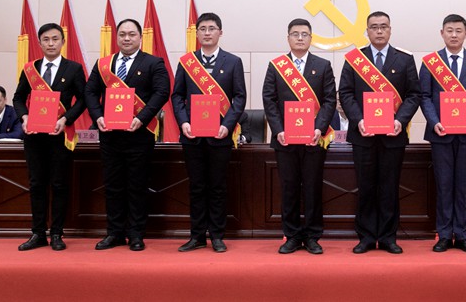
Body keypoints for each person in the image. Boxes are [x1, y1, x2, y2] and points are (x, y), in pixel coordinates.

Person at [84, 18, 169, 252]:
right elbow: (90, 91)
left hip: (139, 135)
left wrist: (142, 118)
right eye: (122, 34)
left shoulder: (153, 63)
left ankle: (136, 234)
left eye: (132, 34)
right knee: (112, 185)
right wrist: (97, 116)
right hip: (110, 135)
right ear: (117, 37)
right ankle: (114, 233)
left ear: (140, 37)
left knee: (137, 185)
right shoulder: (104, 65)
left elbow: (162, 92)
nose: (127, 38)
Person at [338, 11, 420, 254]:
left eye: (384, 26)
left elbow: (414, 94)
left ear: (390, 30)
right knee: (365, 187)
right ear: (367, 31)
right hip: (363, 135)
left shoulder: (404, 59)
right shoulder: (355, 59)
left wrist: (400, 120)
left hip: (393, 135)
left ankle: (387, 237)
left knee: (389, 187)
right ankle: (365, 237)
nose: (379, 31)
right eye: (374, 27)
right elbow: (346, 93)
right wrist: (359, 120)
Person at [171, 13, 246, 253]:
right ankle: (197, 236)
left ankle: (217, 236)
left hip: (220, 135)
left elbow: (239, 97)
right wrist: (183, 122)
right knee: (196, 186)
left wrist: (228, 124)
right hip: (192, 135)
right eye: (202, 29)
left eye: (211, 28)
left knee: (217, 187)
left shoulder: (233, 62)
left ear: (220, 32)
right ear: (197, 33)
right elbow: (177, 95)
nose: (206, 33)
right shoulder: (187, 62)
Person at [262, 18, 336, 254]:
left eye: (305, 34)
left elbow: (329, 100)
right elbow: (269, 100)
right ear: (288, 38)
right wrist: (279, 130)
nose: (300, 38)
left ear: (311, 38)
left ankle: (313, 236)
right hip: (285, 139)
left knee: (313, 187)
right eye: (295, 34)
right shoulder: (277, 66)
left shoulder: (323, 66)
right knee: (289, 187)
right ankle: (292, 235)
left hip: (314, 138)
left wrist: (319, 128)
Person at [419, 14, 466, 253]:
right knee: (443, 185)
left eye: (458, 31)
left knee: (463, 186)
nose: (453, 35)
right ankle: (443, 234)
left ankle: (462, 234)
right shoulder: (431, 62)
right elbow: (424, 96)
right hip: (440, 134)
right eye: (449, 30)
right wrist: (434, 121)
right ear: (442, 33)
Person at [12, 23, 87, 251]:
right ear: (39, 43)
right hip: (34, 136)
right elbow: (18, 98)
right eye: (46, 39)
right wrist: (24, 117)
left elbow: (83, 99)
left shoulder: (73, 68)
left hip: (59, 135)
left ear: (63, 41)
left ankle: (56, 233)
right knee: (37, 184)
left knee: (59, 184)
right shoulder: (30, 69)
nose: (51, 43)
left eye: (55, 39)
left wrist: (66, 119)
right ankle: (37, 233)